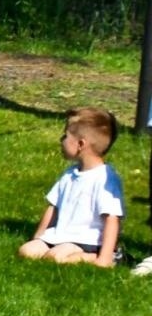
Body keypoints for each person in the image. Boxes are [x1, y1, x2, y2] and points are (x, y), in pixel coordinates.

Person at [19, 107, 123, 269]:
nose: (61, 140)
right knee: (27, 251)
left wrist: (105, 257)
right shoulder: (69, 174)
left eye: (65, 136)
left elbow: (112, 218)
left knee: (55, 257)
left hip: (86, 240)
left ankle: (104, 257)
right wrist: (39, 237)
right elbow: (53, 207)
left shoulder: (105, 178)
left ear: (81, 144)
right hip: (60, 235)